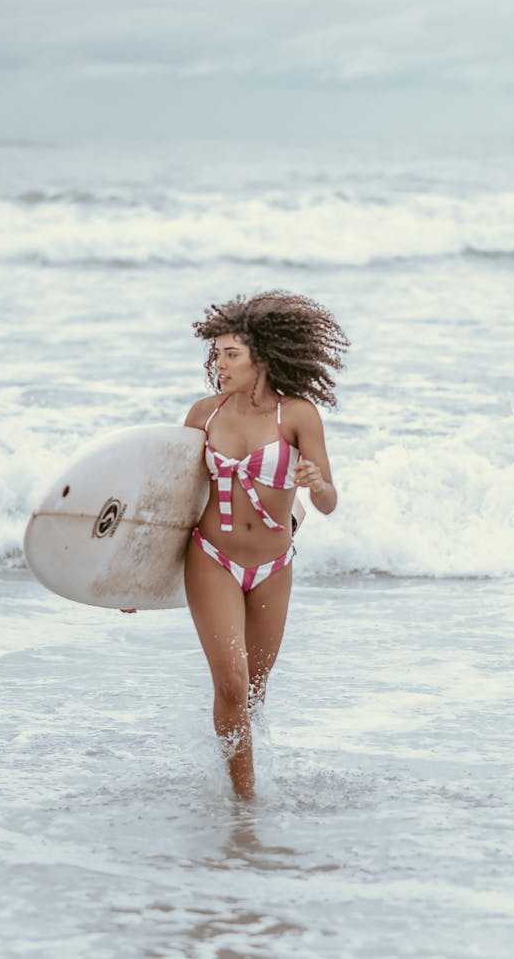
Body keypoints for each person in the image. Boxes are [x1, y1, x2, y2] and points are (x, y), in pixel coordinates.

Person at [184, 290, 348, 797]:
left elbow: (327, 502)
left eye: (231, 354)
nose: (220, 363)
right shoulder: (203, 416)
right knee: (231, 684)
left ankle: (232, 779)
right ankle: (245, 804)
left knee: (252, 693)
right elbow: (171, 503)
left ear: (263, 357)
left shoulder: (297, 416)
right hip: (212, 559)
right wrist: (132, 577)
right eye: (217, 354)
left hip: (274, 565)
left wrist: (315, 480)